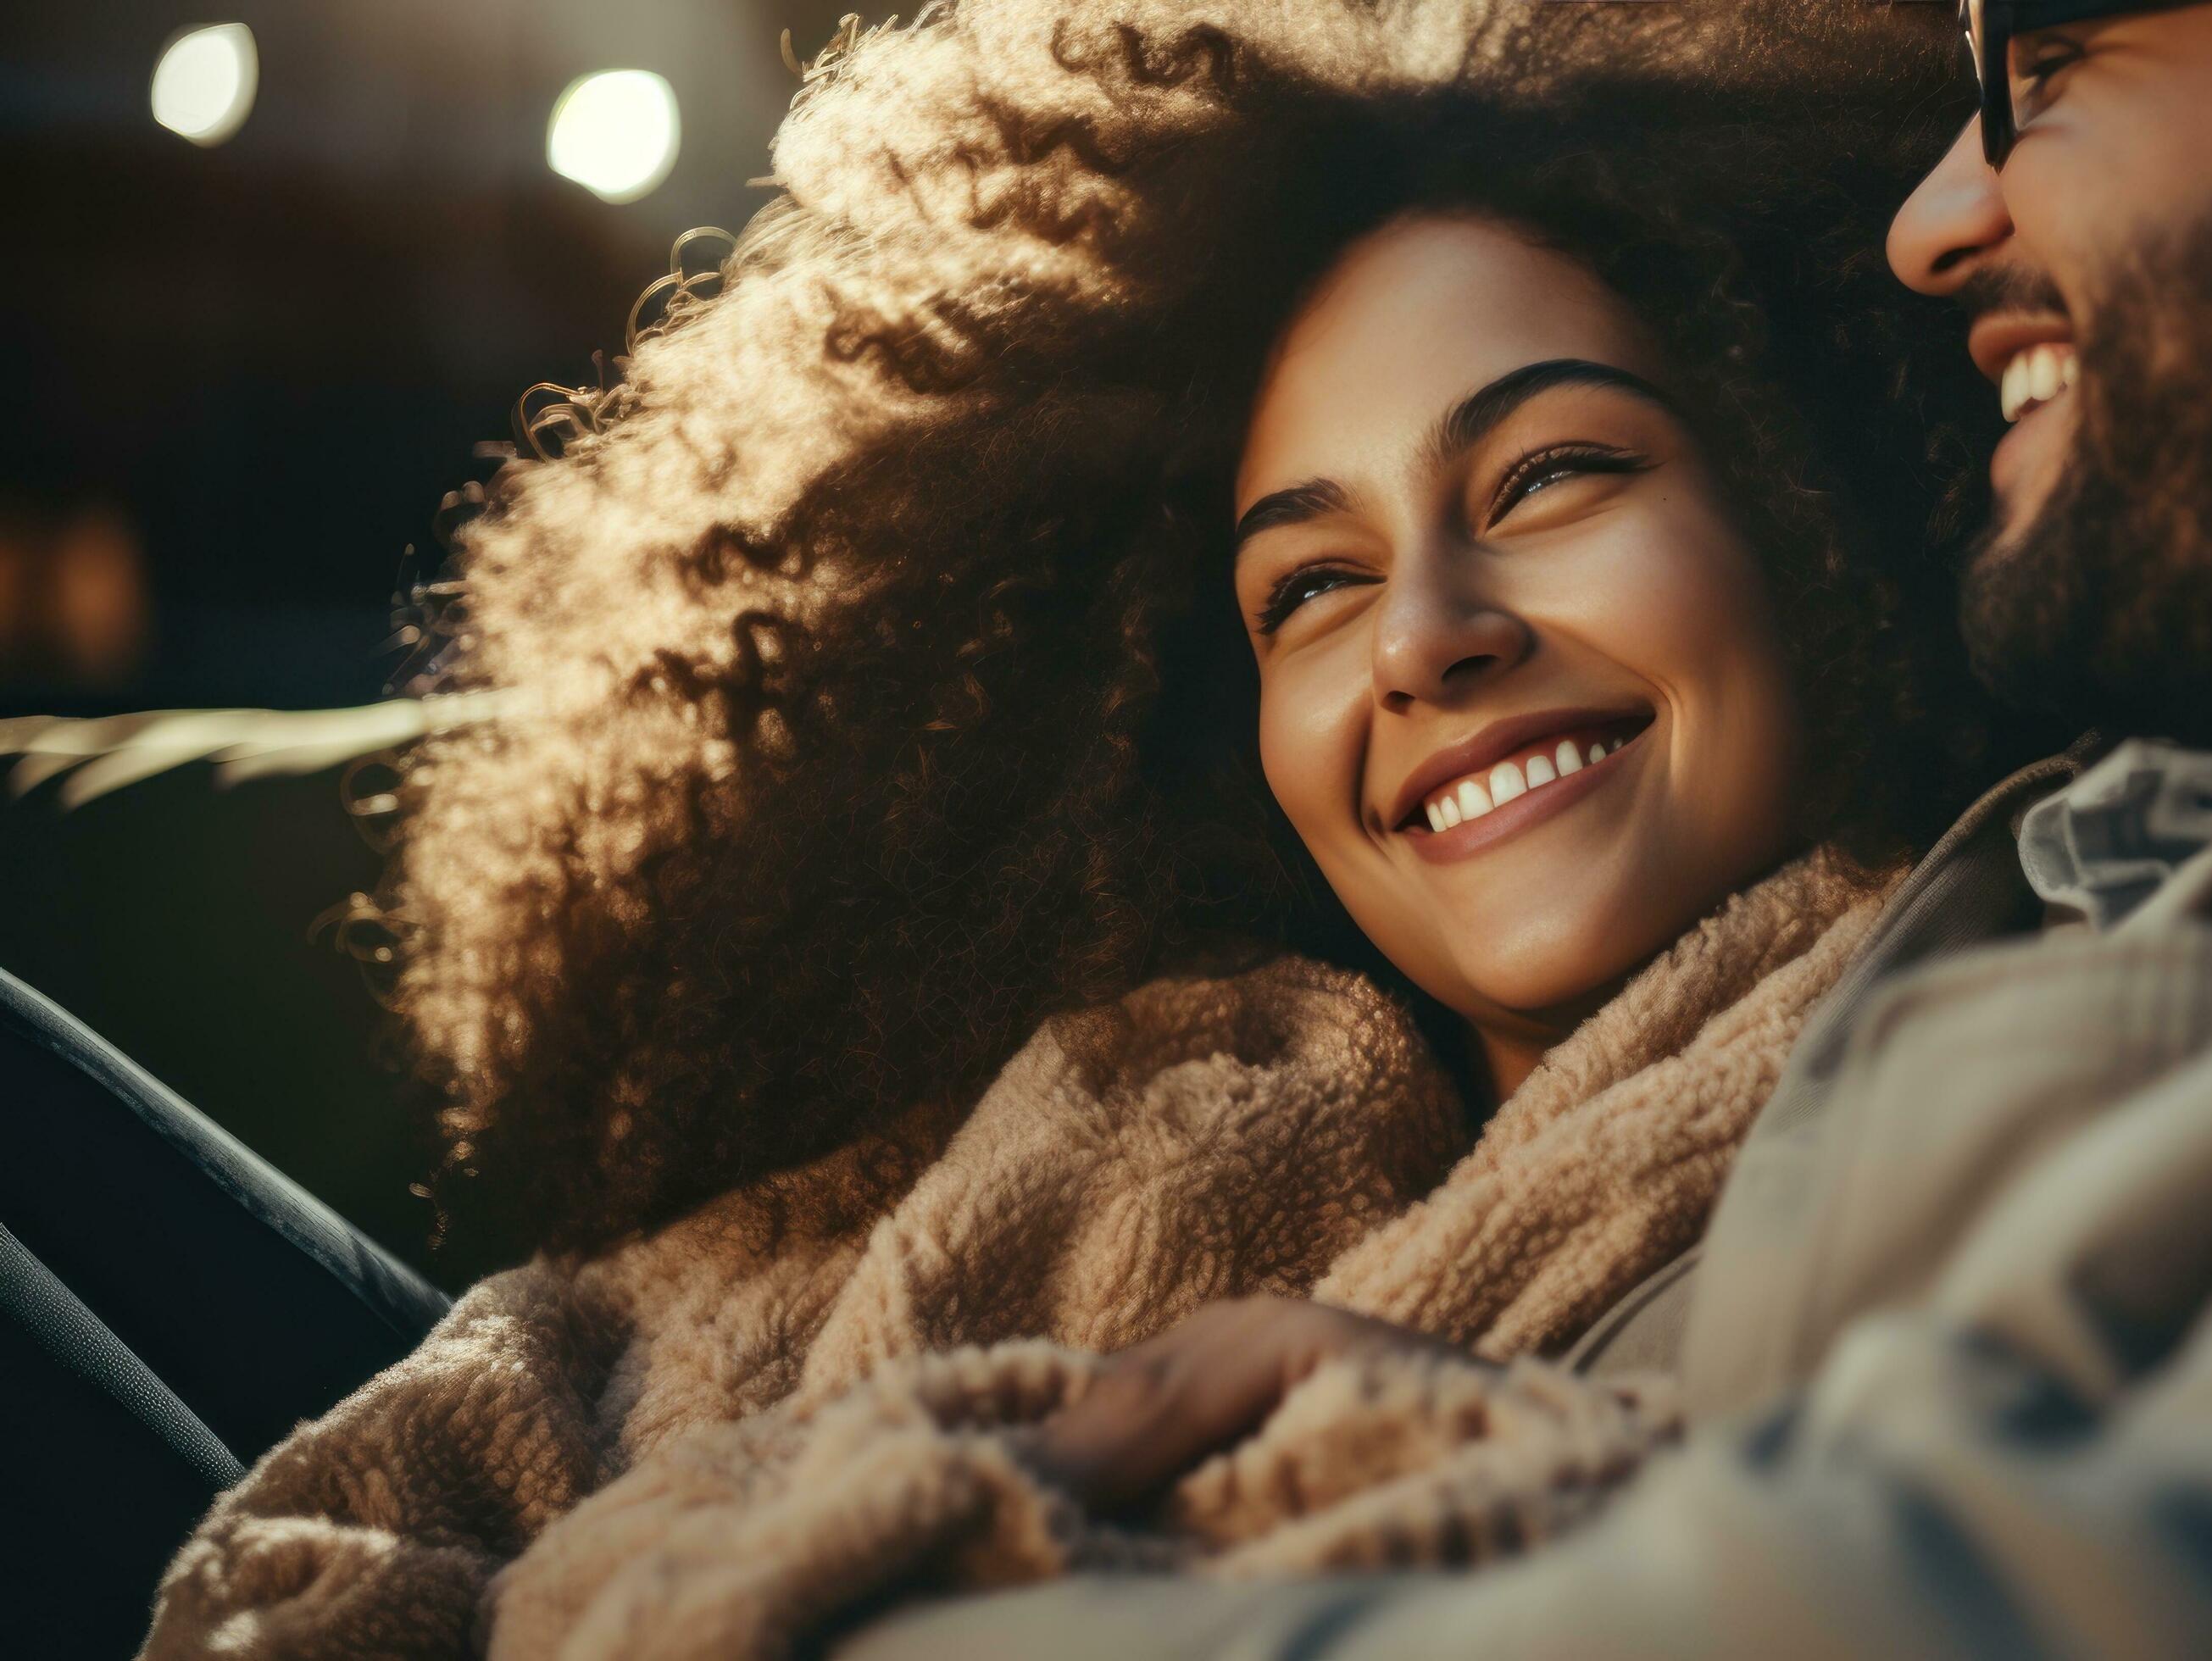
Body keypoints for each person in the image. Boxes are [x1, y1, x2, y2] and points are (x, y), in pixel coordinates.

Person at [831, 0, 2212, 1653]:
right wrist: (1509, 1427)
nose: (1931, 218)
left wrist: (857, 1604)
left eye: (2046, 65)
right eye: (1307, 582)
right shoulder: (2087, 871)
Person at [138, 6, 2018, 1657]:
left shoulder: (2020, 1051)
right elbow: (450, 1450)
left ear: (1817, 497)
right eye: (1309, 587)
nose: (1427, 635)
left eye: (1550, 473)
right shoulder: (1119, 1093)